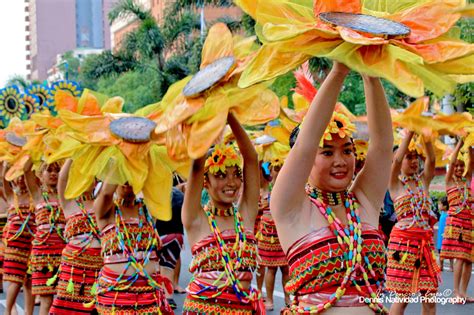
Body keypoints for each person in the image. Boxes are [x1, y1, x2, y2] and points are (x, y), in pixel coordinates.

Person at [271, 62, 392, 314]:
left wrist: (370, 72)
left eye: (347, 150)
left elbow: (381, 146)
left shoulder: (364, 202)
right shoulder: (290, 208)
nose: (341, 161)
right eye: (327, 152)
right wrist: (339, 71)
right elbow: (306, 143)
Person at [182, 113, 263, 314]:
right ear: (205, 182)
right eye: (220, 175)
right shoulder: (195, 218)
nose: (231, 182)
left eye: (236, 174)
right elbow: (196, 167)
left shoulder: (245, 215)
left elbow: (251, 158)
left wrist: (229, 115)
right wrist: (210, 118)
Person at [92, 181, 173, 314]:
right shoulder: (107, 211)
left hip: (148, 296)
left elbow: (160, 185)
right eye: (122, 178)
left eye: (131, 177)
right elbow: (106, 193)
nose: (127, 183)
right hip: (115, 297)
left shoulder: (149, 210)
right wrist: (119, 164)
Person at [386, 131, 439, 315]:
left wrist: (426, 134)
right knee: (403, 298)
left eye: (416, 157)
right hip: (403, 244)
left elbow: (432, 159)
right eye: (409, 157)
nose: (414, 161)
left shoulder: (424, 181)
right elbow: (396, 162)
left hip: (425, 244)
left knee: (430, 298)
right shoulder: (395, 184)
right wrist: (409, 133)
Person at [49, 159, 103, 314]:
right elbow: (62, 179)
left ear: (95, 182)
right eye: (80, 177)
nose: (85, 180)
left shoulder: (104, 203)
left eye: (89, 177)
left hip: (99, 267)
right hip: (73, 267)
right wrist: (75, 154)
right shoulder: (69, 204)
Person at [24, 161, 66, 315]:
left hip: (64, 253)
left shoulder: (66, 195)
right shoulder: (37, 195)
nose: (53, 173)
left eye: (57, 170)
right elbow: (26, 170)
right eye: (49, 170)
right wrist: (33, 146)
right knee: (46, 300)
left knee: (64, 299)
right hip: (43, 254)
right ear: (40, 176)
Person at [440, 141, 473, 301]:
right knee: (460, 256)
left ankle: (464, 292)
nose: (459, 168)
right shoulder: (449, 182)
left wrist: (470, 143)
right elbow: (452, 160)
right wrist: (460, 142)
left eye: (462, 166)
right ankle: (455, 292)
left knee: (469, 259)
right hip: (456, 223)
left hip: (469, 223)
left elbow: (471, 162)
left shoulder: (466, 180)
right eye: (457, 166)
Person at [0, 163, 35, 315]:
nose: (21, 180)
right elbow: (4, 179)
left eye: (23, 176)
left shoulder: (36, 195)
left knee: (30, 280)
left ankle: (28, 312)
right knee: (14, 278)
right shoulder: (10, 195)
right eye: (17, 176)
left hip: (33, 243)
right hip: (15, 244)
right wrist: (8, 164)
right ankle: (8, 311)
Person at [256, 159, 290, 310]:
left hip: (283, 231)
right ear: (271, 170)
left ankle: (288, 298)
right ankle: (269, 299)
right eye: (276, 167)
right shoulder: (265, 186)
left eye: (282, 166)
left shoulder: (288, 186)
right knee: (271, 268)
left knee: (286, 268)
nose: (279, 169)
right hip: (269, 233)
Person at [155, 186, 185, 309]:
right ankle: (169, 296)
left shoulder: (157, 193)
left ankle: (159, 294)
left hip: (161, 235)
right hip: (177, 236)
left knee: (157, 264)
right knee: (169, 265)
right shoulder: (179, 195)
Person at [436, 196, 453, 271]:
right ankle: (441, 266)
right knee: (440, 251)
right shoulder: (442, 213)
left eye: (440, 204)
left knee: (449, 251)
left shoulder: (449, 214)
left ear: (445, 206)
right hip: (440, 235)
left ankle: (451, 266)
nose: (438, 206)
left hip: (447, 235)